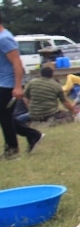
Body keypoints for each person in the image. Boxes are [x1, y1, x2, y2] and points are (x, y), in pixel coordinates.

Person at [0, 13, 44, 158]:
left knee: (5, 117)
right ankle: (32, 135)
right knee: (4, 116)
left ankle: (12, 149)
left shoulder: (4, 39)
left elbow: (17, 63)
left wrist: (18, 86)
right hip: (2, 82)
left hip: (7, 84)